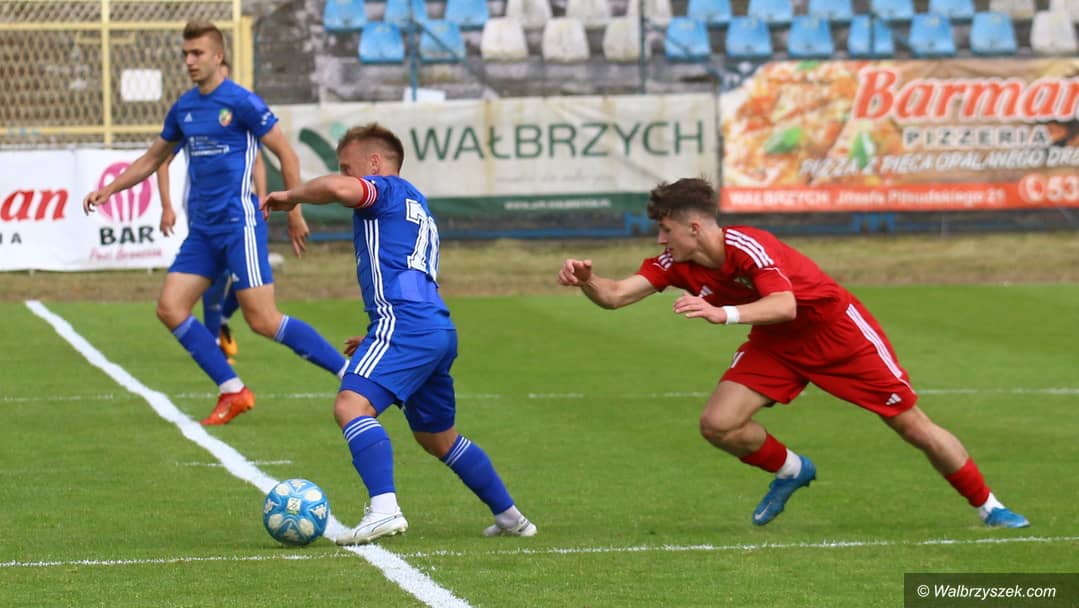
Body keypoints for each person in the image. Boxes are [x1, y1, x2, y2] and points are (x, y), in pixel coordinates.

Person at [557, 177, 1030, 529]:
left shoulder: (749, 246)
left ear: (694, 227)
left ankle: (990, 506)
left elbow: (785, 305)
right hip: (777, 343)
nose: (661, 240)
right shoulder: (675, 263)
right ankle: (792, 470)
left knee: (911, 425)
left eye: (665, 229)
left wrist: (724, 315)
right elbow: (615, 296)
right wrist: (587, 281)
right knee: (718, 424)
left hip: (836, 334)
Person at [262, 123, 537, 544]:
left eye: (348, 167)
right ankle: (511, 517)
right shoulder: (416, 202)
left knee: (351, 406)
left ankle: (384, 509)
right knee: (438, 438)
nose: (345, 175)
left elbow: (336, 189)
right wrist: (380, 335)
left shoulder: (384, 189)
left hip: (407, 324)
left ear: (374, 164)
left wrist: (291, 196)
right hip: (432, 326)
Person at [83, 19, 347, 425]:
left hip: (239, 226)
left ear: (218, 56)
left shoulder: (242, 102)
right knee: (170, 307)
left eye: (197, 53)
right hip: (203, 231)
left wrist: (294, 211)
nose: (189, 61)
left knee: (263, 320)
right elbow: (154, 158)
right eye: (185, 54)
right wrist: (110, 189)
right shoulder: (184, 107)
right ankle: (233, 390)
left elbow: (287, 155)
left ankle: (349, 373)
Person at [156, 58, 253, 364]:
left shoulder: (240, 108)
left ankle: (221, 321)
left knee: (248, 282)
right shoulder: (192, 112)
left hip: (241, 210)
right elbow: (161, 159)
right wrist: (167, 206)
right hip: (203, 209)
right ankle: (213, 340)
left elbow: (260, 161)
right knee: (215, 276)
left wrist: (263, 196)